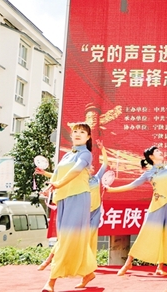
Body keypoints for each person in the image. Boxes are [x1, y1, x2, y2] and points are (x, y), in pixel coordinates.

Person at [105, 128, 167, 276]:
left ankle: (160, 267)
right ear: (151, 156)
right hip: (157, 205)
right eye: (157, 151)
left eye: (160, 151)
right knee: (147, 233)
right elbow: (132, 185)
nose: (160, 152)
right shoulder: (148, 173)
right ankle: (129, 262)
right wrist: (111, 190)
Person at [41, 122, 97, 292]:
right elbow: (57, 174)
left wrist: (57, 184)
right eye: (75, 131)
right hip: (64, 198)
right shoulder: (66, 155)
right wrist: (50, 188)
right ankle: (88, 272)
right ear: (71, 135)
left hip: (79, 197)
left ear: (88, 137)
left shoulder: (86, 154)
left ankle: (51, 281)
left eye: (82, 132)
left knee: (66, 239)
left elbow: (76, 170)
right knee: (71, 238)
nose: (78, 134)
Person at [37, 139, 109, 271]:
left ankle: (87, 266)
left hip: (94, 213)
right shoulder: (79, 180)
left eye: (90, 167)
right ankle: (49, 260)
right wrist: (45, 174)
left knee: (88, 240)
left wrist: (102, 149)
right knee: (66, 237)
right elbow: (60, 176)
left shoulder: (97, 178)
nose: (90, 168)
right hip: (80, 211)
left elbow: (105, 163)